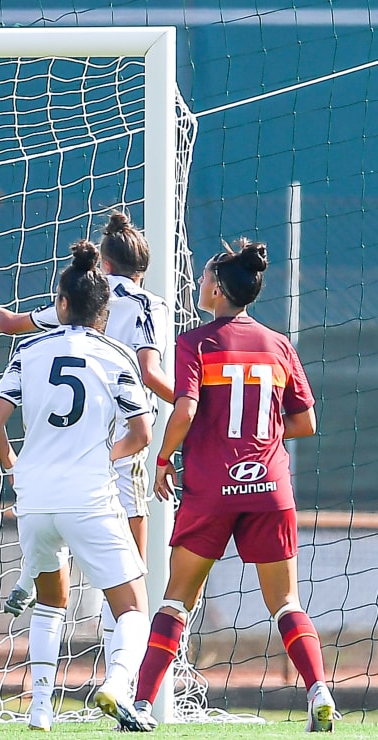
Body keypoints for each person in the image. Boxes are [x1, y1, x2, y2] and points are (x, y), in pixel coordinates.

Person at [134, 239, 336, 731]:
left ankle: (139, 707)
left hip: (212, 488)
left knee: (177, 597)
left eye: (205, 276)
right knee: (286, 602)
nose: (200, 282)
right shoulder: (278, 344)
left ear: (219, 289)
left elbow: (184, 411)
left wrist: (163, 458)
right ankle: (319, 691)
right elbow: (305, 421)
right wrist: (258, 432)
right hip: (269, 486)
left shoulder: (194, 342)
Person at [0, 242, 155, 732]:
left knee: (49, 600)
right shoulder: (115, 354)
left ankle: (39, 712)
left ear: (60, 305)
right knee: (134, 607)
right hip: (90, 496)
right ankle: (118, 685)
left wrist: (14, 466)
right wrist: (108, 455)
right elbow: (140, 435)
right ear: (104, 313)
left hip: (34, 498)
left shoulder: (30, 350)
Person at [0, 212, 173, 636]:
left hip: (64, 445)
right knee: (129, 569)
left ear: (103, 263)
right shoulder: (148, 304)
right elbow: (150, 371)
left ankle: (31, 577)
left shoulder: (82, 297)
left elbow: (10, 324)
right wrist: (193, 402)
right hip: (124, 435)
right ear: (145, 267)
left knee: (53, 518)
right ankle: (123, 664)